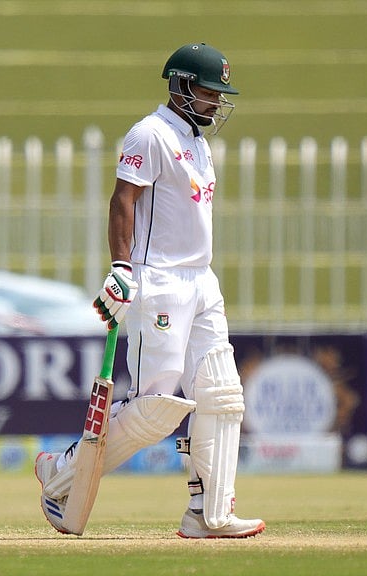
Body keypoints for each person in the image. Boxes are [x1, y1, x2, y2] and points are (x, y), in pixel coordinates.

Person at [35, 43, 265, 539]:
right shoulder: (151, 132)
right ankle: (61, 473)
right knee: (157, 407)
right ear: (181, 85)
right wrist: (121, 265)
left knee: (221, 394)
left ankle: (209, 513)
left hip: (203, 279)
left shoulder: (198, 142)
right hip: (158, 279)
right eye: (208, 91)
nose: (215, 102)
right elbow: (124, 199)